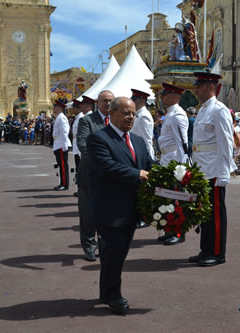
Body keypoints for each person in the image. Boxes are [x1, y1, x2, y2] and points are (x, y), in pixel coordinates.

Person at [86, 97, 152, 315]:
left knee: (116, 252)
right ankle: (113, 296)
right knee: (115, 250)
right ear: (111, 113)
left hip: (131, 210)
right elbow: (106, 167)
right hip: (108, 208)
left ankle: (106, 291)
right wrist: (136, 174)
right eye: (125, 113)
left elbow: (150, 166)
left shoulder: (138, 141)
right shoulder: (99, 138)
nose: (130, 117)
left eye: (133, 113)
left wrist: (177, 174)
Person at [190, 72, 235, 267]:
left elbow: (226, 142)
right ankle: (205, 249)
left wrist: (225, 171)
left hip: (214, 169)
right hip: (202, 168)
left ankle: (217, 252)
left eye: (199, 86)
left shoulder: (219, 110)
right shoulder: (202, 110)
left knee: (216, 213)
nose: (196, 90)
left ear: (210, 87)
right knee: (204, 213)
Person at [76, 90, 115, 262]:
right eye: (105, 101)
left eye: (111, 101)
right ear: (97, 103)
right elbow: (83, 145)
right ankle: (89, 246)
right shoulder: (87, 121)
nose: (108, 104)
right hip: (90, 174)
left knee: (108, 212)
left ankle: (105, 245)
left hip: (111, 176)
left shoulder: (116, 121)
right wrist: (103, 163)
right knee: (88, 213)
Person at [157, 82, 189, 245]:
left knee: (175, 199)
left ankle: (177, 233)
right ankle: (169, 229)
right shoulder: (170, 113)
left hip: (175, 162)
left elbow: (182, 143)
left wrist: (181, 168)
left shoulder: (177, 114)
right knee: (166, 198)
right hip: (167, 159)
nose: (161, 97)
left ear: (174, 97)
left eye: (164, 95)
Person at [52, 100, 72, 191]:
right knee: (61, 165)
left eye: (55, 106)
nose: (53, 108)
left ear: (59, 108)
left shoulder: (62, 118)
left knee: (63, 165)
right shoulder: (59, 117)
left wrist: (64, 146)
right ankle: (62, 182)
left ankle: (64, 184)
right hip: (58, 144)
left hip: (61, 144)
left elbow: (64, 132)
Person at [130, 89, 155, 161]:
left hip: (142, 155)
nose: (132, 102)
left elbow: (146, 140)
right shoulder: (138, 114)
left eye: (134, 100)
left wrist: (148, 159)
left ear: (142, 101)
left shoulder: (143, 116)